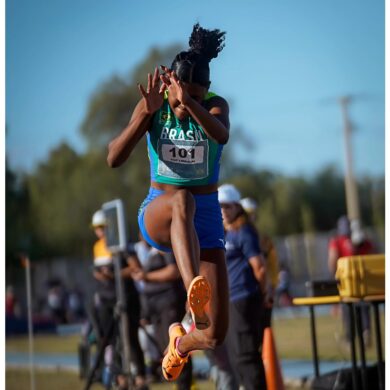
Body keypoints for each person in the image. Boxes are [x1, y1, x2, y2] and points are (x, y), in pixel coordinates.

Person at [107, 23, 230, 382]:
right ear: (168, 85)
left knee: (214, 334)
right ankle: (194, 289)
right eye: (177, 97)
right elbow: (114, 158)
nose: (180, 105)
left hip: (205, 220)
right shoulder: (155, 106)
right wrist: (146, 113)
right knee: (181, 199)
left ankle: (179, 342)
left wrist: (189, 103)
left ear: (204, 92)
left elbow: (220, 134)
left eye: (191, 95)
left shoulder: (214, 107)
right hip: (160, 208)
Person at [91, 210, 148, 389]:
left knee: (130, 338)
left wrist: (114, 275)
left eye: (102, 227)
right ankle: (120, 377)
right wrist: (100, 276)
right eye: (96, 228)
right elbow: (97, 270)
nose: (100, 231)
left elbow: (135, 267)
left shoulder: (123, 243)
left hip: (126, 297)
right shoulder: (97, 247)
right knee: (111, 340)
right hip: (106, 299)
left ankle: (140, 376)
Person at [218, 184, 268, 390]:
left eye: (227, 206)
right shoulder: (225, 233)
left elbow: (260, 268)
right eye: (219, 206)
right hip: (230, 300)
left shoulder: (244, 231)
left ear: (237, 207)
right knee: (236, 356)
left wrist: (263, 293)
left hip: (244, 298)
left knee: (246, 356)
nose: (223, 211)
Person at [128, 238, 194, 389]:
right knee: (165, 348)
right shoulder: (145, 249)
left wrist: (147, 277)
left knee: (177, 347)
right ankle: (179, 384)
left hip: (168, 302)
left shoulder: (165, 245)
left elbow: (173, 271)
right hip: (154, 305)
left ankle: (184, 385)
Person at [328, 215, 374, 347]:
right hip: (365, 284)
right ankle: (365, 331)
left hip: (347, 283)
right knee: (364, 306)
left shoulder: (337, 241)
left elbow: (332, 261)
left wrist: (335, 278)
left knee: (348, 308)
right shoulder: (364, 242)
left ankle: (350, 337)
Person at [240, 197, 279, 323]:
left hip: (260, 290)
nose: (250, 217)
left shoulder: (263, 239)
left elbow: (272, 266)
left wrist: (271, 286)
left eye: (252, 214)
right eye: (247, 214)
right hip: (240, 292)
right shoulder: (230, 236)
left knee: (262, 328)